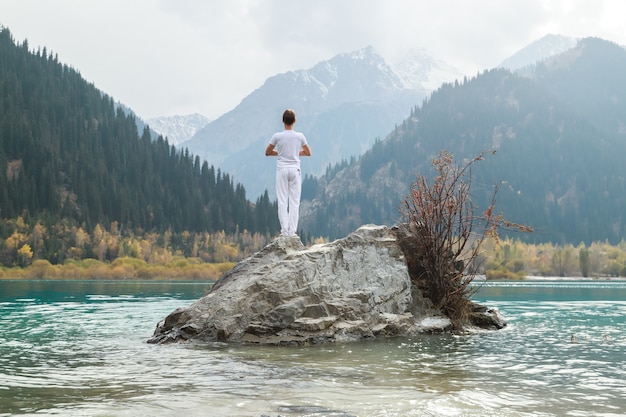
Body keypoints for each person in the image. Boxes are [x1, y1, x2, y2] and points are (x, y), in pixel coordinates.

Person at [265, 109, 311, 237]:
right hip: (295, 170)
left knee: (282, 201)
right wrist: (295, 153)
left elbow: (267, 152)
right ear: (294, 121)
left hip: (282, 170)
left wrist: (280, 153)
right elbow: (308, 152)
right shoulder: (300, 136)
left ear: (282, 121)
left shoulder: (277, 136)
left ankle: (284, 231)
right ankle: (292, 232)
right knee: (294, 201)